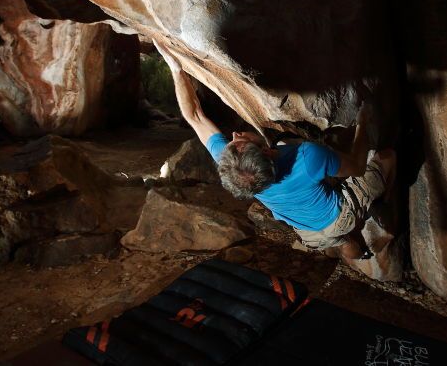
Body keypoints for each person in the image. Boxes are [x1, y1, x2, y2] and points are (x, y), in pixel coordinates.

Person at [154, 38, 395, 261]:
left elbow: (194, 116)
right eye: (241, 140)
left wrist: (175, 68)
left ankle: (361, 254)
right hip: (338, 215)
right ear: (267, 153)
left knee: (341, 242)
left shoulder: (238, 169)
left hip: (305, 229)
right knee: (387, 157)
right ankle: (381, 201)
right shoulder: (307, 157)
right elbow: (356, 166)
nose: (235, 134)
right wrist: (362, 123)